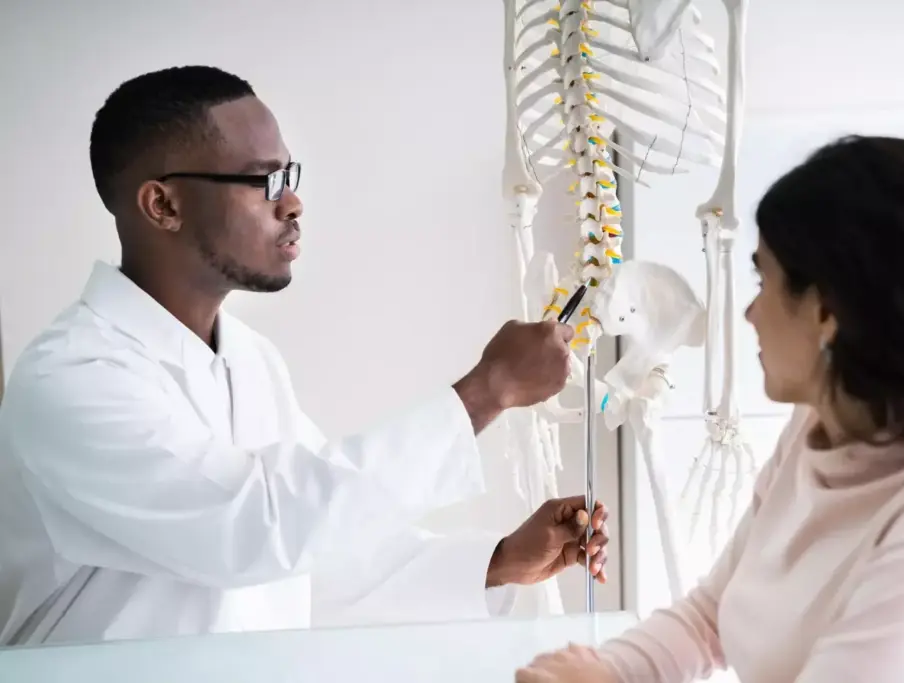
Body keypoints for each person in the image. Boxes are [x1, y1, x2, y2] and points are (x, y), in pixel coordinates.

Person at [0, 65, 611, 646]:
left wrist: (500, 560)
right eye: (263, 181)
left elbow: (318, 549)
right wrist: (486, 391)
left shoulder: (249, 359)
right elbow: (253, 531)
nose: (292, 203)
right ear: (163, 205)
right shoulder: (71, 378)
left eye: (291, 175)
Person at [517, 135, 904, 683]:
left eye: (764, 281)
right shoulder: (814, 430)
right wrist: (605, 669)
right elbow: (708, 616)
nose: (751, 313)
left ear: (825, 312)